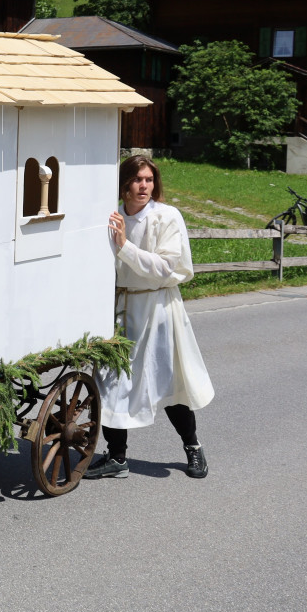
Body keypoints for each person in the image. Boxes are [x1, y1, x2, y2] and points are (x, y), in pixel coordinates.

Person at [88, 155, 214, 480]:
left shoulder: (166, 217)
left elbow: (164, 267)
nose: (144, 186)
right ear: (124, 184)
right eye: (136, 179)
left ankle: (193, 447)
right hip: (120, 308)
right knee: (111, 381)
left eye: (148, 179)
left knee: (167, 381)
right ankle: (117, 457)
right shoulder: (112, 216)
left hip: (157, 307)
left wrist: (125, 246)